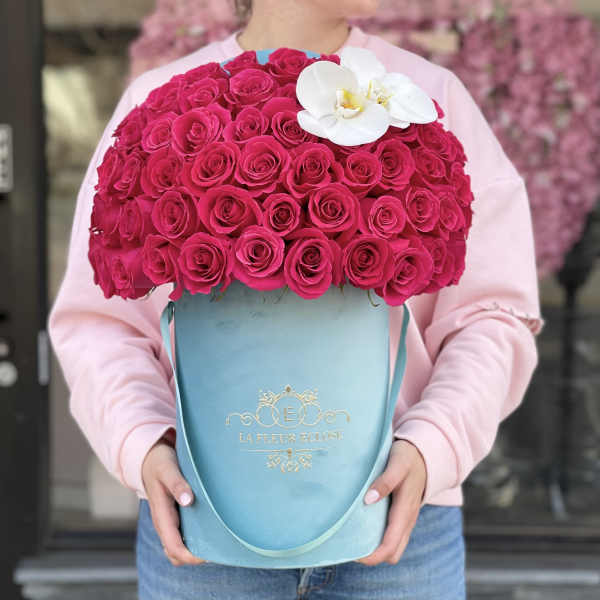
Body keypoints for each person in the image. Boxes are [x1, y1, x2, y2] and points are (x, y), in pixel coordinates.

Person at [48, 0, 545, 598]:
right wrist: (142, 441)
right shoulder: (162, 107)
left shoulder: (424, 97)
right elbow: (101, 325)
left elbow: (493, 315)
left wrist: (433, 444)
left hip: (397, 525)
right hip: (205, 521)